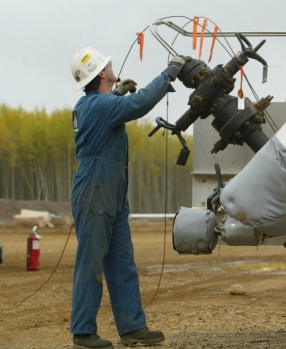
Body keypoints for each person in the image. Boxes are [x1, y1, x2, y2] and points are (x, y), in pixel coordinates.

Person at [69, 46, 187, 348]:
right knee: (91, 261)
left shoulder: (96, 104)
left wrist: (118, 91)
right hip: (96, 187)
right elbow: (141, 103)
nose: (111, 65)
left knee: (122, 262)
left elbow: (112, 106)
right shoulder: (98, 106)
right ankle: (83, 332)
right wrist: (169, 72)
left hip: (111, 189)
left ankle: (132, 328)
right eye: (106, 65)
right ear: (100, 75)